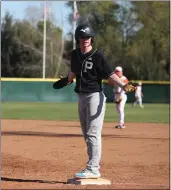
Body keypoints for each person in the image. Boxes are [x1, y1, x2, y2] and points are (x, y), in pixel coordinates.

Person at [53, 23, 135, 179]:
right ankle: (92, 165)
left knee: (93, 133)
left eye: (88, 37)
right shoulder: (75, 54)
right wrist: (67, 80)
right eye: (82, 37)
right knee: (86, 134)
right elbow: (74, 72)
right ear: (78, 38)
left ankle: (93, 168)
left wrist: (123, 85)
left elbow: (110, 75)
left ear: (91, 38)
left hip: (95, 96)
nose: (85, 39)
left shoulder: (99, 56)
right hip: (81, 96)